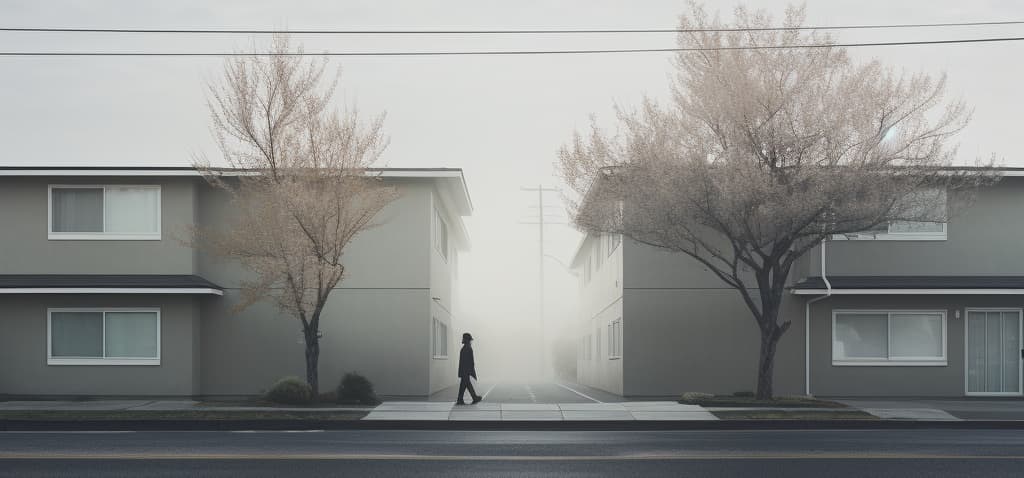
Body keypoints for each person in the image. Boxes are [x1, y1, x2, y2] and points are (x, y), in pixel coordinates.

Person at [456, 332, 482, 405]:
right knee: (466, 384)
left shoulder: (464, 348)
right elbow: (470, 362)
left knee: (465, 385)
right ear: (468, 340)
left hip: (464, 370)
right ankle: (472, 398)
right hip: (466, 371)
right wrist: (472, 371)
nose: (470, 341)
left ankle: (461, 399)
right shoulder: (468, 348)